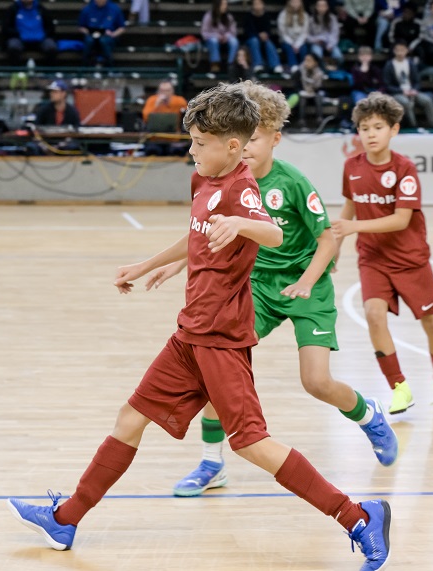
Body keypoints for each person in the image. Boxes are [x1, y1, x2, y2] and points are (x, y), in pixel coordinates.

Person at [7, 83, 392, 571]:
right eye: (191, 141)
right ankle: (65, 518)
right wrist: (148, 265)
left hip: (221, 341)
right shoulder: (202, 181)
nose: (191, 151)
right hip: (188, 334)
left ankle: (358, 516)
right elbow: (196, 236)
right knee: (130, 418)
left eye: (200, 143)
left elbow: (271, 232)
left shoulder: (241, 187)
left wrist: (241, 225)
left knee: (251, 443)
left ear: (233, 146)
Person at [147, 80, 398, 498]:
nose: (245, 147)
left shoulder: (293, 182)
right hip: (257, 288)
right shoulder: (225, 178)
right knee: (215, 365)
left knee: (316, 381)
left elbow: (327, 238)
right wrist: (174, 265)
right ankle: (212, 462)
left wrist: (305, 281)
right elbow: (206, 235)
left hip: (307, 285)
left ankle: (366, 413)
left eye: (255, 139)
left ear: (274, 139)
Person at [331, 92, 433, 415]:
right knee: (374, 315)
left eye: (378, 127)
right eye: (364, 128)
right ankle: (399, 388)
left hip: (410, 259)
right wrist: (333, 250)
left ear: (394, 130)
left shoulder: (404, 168)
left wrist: (354, 229)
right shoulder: (352, 167)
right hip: (373, 259)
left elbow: (401, 219)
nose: (371, 134)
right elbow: (349, 208)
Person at [383, 39, 433, 129]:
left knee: (427, 100)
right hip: (397, 93)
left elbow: (417, 81)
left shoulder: (411, 64)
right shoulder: (389, 65)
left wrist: (414, 90)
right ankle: (413, 125)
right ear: (394, 51)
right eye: (398, 50)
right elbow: (387, 85)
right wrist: (402, 91)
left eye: (402, 50)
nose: (400, 52)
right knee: (406, 103)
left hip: (411, 91)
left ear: (407, 51)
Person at [2, 0, 58, 66]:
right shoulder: (13, 9)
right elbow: (6, 28)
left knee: (51, 46)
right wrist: (19, 34)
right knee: (13, 46)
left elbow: (50, 27)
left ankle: (49, 72)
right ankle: (15, 71)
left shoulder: (41, 9)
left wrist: (42, 34)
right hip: (19, 39)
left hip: (40, 39)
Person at [141, 80, 188, 156]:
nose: (165, 93)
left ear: (172, 91)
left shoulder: (179, 101)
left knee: (177, 151)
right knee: (152, 151)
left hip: (173, 138)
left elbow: (188, 115)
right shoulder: (152, 100)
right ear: (158, 91)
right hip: (155, 138)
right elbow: (145, 118)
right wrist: (156, 105)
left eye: (168, 90)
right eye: (162, 91)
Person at [78, 0, 125, 67]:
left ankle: (110, 67)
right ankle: (85, 66)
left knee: (103, 41)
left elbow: (122, 28)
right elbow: (81, 27)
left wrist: (113, 34)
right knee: (89, 41)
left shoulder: (115, 8)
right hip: (92, 35)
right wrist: (89, 32)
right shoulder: (87, 8)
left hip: (109, 36)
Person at [243, 0, 283, 74]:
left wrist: (265, 34)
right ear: (252, 6)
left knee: (268, 42)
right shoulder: (248, 17)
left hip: (263, 39)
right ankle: (258, 64)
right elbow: (248, 32)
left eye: (259, 4)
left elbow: (268, 30)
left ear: (263, 5)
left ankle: (275, 65)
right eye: (256, 4)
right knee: (254, 41)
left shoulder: (266, 16)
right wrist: (258, 35)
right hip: (251, 40)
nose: (258, 6)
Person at [201, 0, 239, 75]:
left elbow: (233, 32)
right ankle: (215, 64)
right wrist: (217, 36)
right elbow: (204, 32)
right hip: (212, 40)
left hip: (226, 40)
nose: (225, 6)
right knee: (214, 41)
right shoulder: (209, 16)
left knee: (234, 41)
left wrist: (226, 36)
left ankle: (231, 63)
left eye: (226, 4)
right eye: (223, 4)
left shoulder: (229, 17)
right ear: (218, 5)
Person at [306, 0, 343, 67]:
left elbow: (335, 33)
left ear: (327, 7)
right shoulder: (311, 19)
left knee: (338, 56)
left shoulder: (332, 18)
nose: (321, 8)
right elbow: (307, 35)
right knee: (317, 55)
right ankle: (322, 71)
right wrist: (315, 40)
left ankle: (335, 71)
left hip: (330, 42)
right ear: (316, 7)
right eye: (320, 6)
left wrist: (330, 45)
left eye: (324, 6)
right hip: (316, 43)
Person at [277, 0, 309, 71]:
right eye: (293, 2)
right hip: (287, 41)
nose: (295, 4)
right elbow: (283, 33)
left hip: (300, 41)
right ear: (289, 3)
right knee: (289, 48)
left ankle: (303, 66)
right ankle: (293, 65)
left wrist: (297, 44)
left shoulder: (305, 15)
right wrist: (292, 44)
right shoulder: (283, 15)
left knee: (304, 48)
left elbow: (304, 33)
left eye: (297, 2)